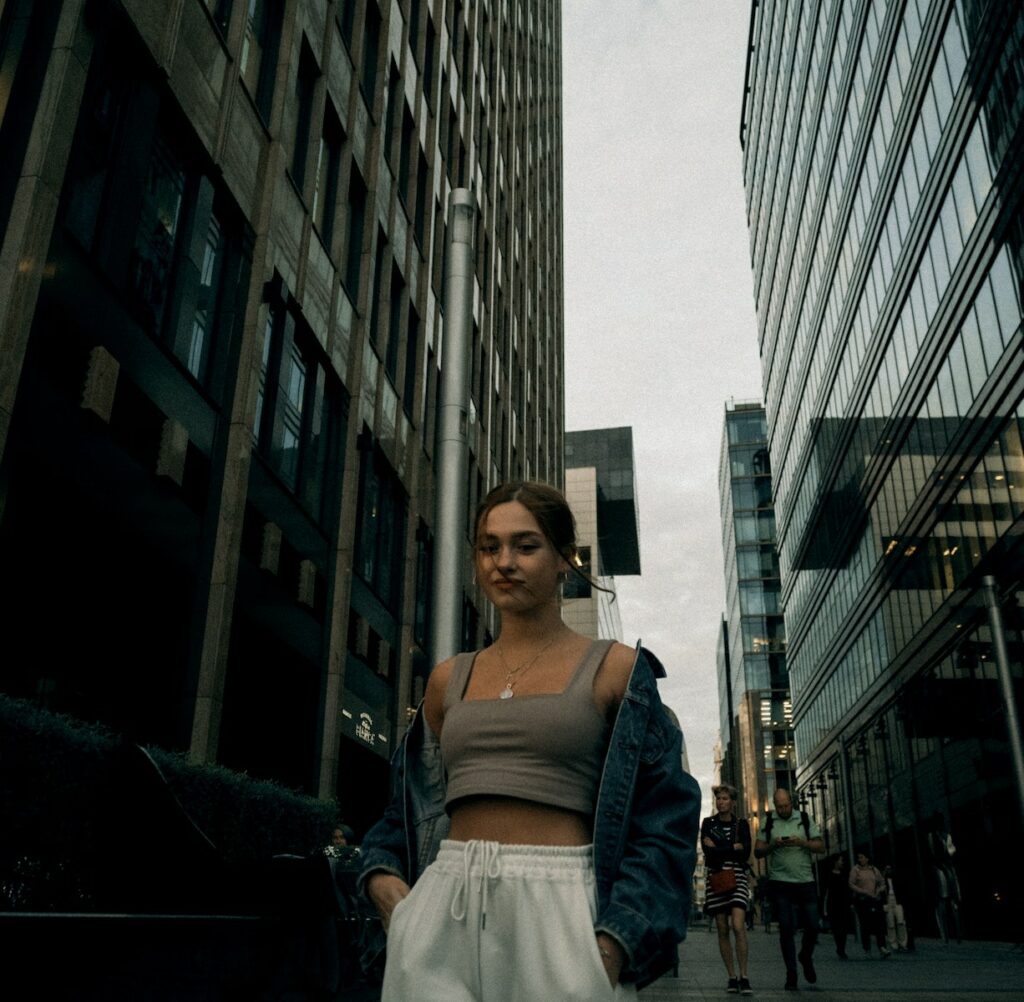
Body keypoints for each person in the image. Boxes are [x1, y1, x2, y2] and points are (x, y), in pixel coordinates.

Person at [357, 481, 701, 1000]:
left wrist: (612, 945)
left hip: (561, 907)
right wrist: (383, 882)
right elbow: (404, 805)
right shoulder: (449, 679)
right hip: (442, 902)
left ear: (564, 558)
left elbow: (666, 820)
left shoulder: (616, 670)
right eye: (489, 546)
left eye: (526, 545)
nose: (503, 562)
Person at [754, 788, 826, 991]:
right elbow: (758, 851)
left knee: (813, 925)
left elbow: (820, 846)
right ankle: (791, 973)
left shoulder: (803, 817)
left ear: (791, 803)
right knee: (786, 928)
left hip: (805, 881)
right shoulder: (768, 821)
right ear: (775, 805)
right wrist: (773, 846)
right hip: (780, 882)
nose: (784, 809)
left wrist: (802, 842)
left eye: (787, 805)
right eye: (780, 806)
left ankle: (805, 955)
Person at [701, 783, 753, 995]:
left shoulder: (741, 824)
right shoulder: (707, 823)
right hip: (717, 878)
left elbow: (745, 852)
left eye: (724, 799)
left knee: (738, 925)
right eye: (718, 799)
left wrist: (719, 848)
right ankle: (732, 976)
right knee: (722, 928)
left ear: (732, 802)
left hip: (738, 876)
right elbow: (708, 853)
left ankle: (744, 975)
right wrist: (732, 848)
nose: (721, 802)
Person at [849, 851, 890, 957]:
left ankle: (882, 947)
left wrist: (879, 890)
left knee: (879, 923)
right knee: (865, 924)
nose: (860, 859)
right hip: (863, 900)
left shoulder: (874, 869)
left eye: (862, 857)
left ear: (867, 859)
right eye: (859, 857)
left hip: (875, 899)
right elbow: (851, 884)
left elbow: (882, 882)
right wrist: (862, 891)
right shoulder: (856, 870)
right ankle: (867, 949)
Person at [823, 853, 852, 959]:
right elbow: (825, 891)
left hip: (843, 904)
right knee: (836, 928)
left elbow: (848, 889)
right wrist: (824, 908)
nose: (842, 862)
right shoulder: (828, 874)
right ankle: (840, 948)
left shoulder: (845, 873)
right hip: (833, 904)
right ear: (835, 861)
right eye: (840, 860)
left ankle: (841, 948)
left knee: (843, 927)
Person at [882, 864, 909, 952]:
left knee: (900, 922)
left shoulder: (897, 880)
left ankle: (902, 942)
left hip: (897, 900)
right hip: (888, 900)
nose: (889, 871)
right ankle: (893, 944)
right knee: (890, 924)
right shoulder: (882, 881)